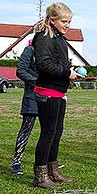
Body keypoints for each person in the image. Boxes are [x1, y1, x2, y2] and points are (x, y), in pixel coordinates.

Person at [32, 2, 80, 188]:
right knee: (48, 133)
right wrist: (66, 72)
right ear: (52, 20)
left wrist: (69, 70)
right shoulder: (44, 37)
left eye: (69, 21)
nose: (67, 25)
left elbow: (57, 63)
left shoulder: (59, 38)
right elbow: (44, 64)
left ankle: (52, 171)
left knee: (56, 132)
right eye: (64, 21)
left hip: (59, 92)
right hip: (47, 92)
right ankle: (40, 176)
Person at [10, 40, 65, 175]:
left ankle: (49, 162)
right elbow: (21, 71)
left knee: (51, 130)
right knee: (26, 129)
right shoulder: (30, 50)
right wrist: (39, 84)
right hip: (33, 96)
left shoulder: (51, 50)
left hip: (51, 96)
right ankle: (16, 162)